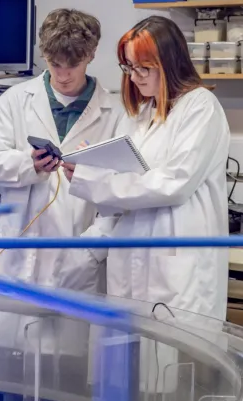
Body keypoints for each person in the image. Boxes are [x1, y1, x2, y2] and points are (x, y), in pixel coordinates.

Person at [0, 9, 123, 355]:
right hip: (16, 255)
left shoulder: (116, 112)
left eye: (73, 65)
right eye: (55, 64)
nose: (63, 75)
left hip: (77, 256)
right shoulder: (16, 101)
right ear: (44, 55)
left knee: (66, 376)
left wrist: (91, 254)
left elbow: (121, 192)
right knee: (4, 367)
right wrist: (27, 164)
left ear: (91, 55)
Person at [63, 16, 230, 323]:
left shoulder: (200, 107)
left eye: (144, 68)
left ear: (169, 62)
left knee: (174, 363)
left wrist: (97, 181)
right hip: (131, 258)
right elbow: (124, 181)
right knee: (131, 361)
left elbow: (173, 183)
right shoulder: (141, 113)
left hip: (178, 262)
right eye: (128, 67)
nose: (135, 76)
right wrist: (91, 168)